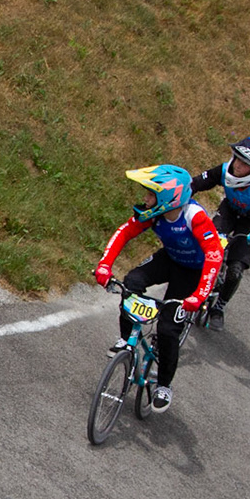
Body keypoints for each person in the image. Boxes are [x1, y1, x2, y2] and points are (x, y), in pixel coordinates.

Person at [93, 165, 225, 413]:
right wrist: (104, 265)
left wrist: (199, 295)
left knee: (167, 329)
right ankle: (126, 340)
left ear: (168, 198)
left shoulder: (194, 216)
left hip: (193, 272)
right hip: (169, 259)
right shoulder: (155, 213)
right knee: (131, 283)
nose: (146, 199)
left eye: (151, 195)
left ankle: (164, 385)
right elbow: (124, 232)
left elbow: (215, 255)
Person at [188, 137, 250, 331]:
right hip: (229, 212)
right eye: (237, 159)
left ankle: (219, 307)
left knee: (235, 270)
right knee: (208, 245)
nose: (238, 165)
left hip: (249, 224)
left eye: (245, 164)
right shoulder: (225, 171)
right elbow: (196, 183)